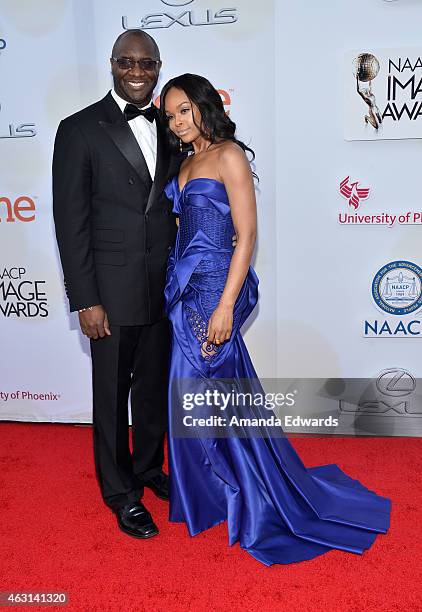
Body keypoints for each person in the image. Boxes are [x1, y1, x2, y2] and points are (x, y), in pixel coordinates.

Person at [161, 73, 391, 565]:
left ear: (204, 105)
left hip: (215, 291)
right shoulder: (185, 162)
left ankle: (248, 496)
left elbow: (246, 235)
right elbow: (183, 233)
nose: (177, 121)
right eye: (170, 114)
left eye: (184, 109)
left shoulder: (228, 155)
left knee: (211, 390)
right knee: (194, 395)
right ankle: (211, 495)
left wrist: (225, 305)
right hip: (184, 290)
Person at [53, 30, 182, 539]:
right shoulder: (80, 129)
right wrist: (86, 299)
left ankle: (149, 468)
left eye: (146, 63)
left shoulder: (171, 129)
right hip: (109, 291)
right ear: (112, 64)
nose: (136, 71)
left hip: (163, 288)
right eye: (127, 62)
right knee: (110, 396)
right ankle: (120, 492)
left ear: (157, 67)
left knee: (153, 389)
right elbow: (71, 221)